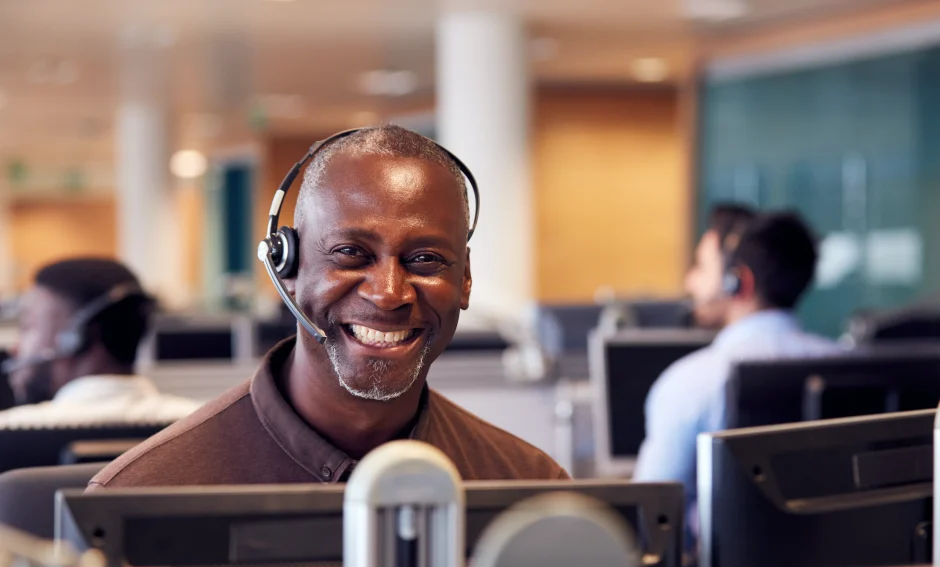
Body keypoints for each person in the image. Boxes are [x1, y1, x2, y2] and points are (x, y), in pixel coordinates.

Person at [90, 125, 568, 488]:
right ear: (287, 266)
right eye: (351, 254)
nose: (388, 292)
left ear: (463, 279)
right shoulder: (147, 491)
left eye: (424, 260)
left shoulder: (528, 487)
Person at [633, 207, 840, 553]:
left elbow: (649, 517)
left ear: (739, 282)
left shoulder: (691, 382)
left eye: (701, 267)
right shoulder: (848, 366)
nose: (690, 282)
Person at [0, 258, 199, 427]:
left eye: (27, 326)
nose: (16, 347)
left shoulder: (10, 428)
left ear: (74, 339)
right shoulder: (201, 424)